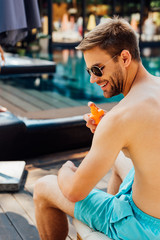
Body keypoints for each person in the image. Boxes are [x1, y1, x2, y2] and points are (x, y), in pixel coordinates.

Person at [33, 17, 160, 240]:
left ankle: (114, 227)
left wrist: (66, 169)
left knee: (44, 186)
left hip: (144, 228)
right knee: (119, 163)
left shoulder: (120, 118)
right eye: (89, 70)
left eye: (97, 69)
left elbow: (74, 190)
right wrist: (110, 133)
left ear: (124, 57)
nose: (92, 79)